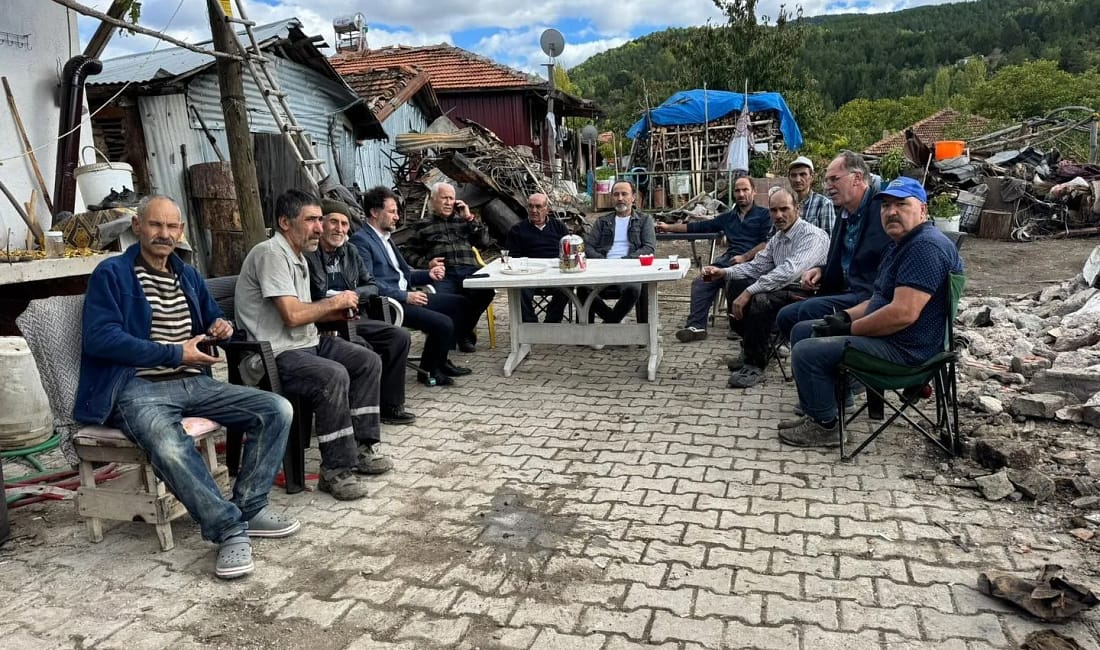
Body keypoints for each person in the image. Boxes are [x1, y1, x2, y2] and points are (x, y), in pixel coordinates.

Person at [76, 195, 298, 580]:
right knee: (168, 444)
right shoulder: (111, 274)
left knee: (276, 409)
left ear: (180, 231)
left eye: (171, 227)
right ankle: (228, 528)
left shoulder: (188, 275)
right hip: (135, 387)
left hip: (192, 381)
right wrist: (173, 352)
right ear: (137, 228)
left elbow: (215, 320)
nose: (164, 234)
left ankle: (251, 507)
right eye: (155, 225)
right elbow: (100, 338)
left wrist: (223, 329)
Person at [779, 177, 964, 447]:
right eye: (885, 206)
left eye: (901, 204)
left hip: (908, 352)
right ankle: (825, 408)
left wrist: (849, 329)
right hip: (895, 339)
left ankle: (826, 427)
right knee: (804, 329)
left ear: (923, 210)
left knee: (808, 352)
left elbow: (902, 314)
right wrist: (845, 317)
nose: (891, 212)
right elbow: (879, 300)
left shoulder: (925, 247)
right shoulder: (902, 244)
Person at [234, 189, 393, 502]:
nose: (320, 228)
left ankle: (362, 447)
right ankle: (335, 470)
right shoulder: (271, 254)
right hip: (273, 353)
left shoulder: (298, 257)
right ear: (284, 222)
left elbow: (305, 313)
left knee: (367, 361)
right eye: (311, 220)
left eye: (320, 220)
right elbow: (292, 315)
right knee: (333, 375)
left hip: (305, 342)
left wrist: (336, 310)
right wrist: (333, 301)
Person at [305, 199, 416, 425]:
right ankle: (358, 414)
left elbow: (372, 285)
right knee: (364, 349)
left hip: (352, 316)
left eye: (344, 224)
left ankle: (390, 405)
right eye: (333, 222)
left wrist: (351, 295)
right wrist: (333, 301)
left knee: (399, 336)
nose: (340, 229)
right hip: (322, 321)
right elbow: (307, 298)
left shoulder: (350, 251)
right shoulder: (308, 255)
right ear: (321, 224)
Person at [352, 185, 475, 387]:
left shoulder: (386, 239)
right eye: (392, 212)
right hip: (388, 304)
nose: (397, 217)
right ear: (374, 212)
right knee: (443, 323)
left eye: (396, 212)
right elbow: (370, 283)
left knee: (460, 304)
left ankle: (440, 360)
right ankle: (429, 371)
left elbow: (405, 274)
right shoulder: (361, 241)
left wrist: (429, 274)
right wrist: (404, 296)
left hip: (406, 296)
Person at [710, 188, 830, 388]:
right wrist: (724, 272)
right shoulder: (778, 238)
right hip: (781, 288)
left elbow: (788, 271)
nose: (779, 215)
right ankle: (753, 347)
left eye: (784, 209)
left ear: (797, 209)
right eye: (774, 210)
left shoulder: (812, 235)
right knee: (736, 283)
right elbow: (757, 266)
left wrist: (750, 291)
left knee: (759, 298)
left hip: (806, 293)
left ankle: (755, 365)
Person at [774, 151, 892, 341]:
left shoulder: (882, 211)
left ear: (857, 178)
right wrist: (820, 270)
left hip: (867, 296)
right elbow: (842, 260)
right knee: (785, 315)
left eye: (834, 179)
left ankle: (825, 359)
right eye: (827, 181)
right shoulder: (844, 214)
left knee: (802, 314)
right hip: (841, 291)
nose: (828, 187)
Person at [657, 176, 771, 342]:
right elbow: (696, 227)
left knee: (736, 280)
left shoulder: (764, 215)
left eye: (745, 189)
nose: (741, 194)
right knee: (702, 280)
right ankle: (696, 327)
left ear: (753, 192)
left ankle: (738, 326)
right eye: (737, 190)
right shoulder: (728, 217)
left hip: (753, 263)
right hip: (728, 261)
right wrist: (668, 227)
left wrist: (745, 257)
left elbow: (767, 242)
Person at [403, 182, 495, 352]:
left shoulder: (464, 221)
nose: (448, 202)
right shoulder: (422, 225)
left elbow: (484, 242)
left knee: (487, 292)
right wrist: (427, 265)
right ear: (433, 200)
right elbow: (407, 253)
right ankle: (456, 335)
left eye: (451, 198)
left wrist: (469, 218)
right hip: (444, 273)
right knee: (445, 301)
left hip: (469, 271)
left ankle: (461, 332)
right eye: (444, 198)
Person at [581, 180, 657, 323]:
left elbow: (648, 248)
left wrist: (624, 262)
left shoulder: (644, 220)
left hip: (629, 269)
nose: (620, 198)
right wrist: (603, 262)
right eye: (616, 194)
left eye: (624, 194)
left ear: (633, 197)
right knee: (583, 289)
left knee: (633, 289)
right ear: (612, 198)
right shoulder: (602, 221)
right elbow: (589, 247)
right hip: (602, 268)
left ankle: (607, 325)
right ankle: (612, 321)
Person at [504, 192, 569, 323]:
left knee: (567, 288)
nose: (534, 210)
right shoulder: (517, 230)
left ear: (547, 209)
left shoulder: (559, 227)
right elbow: (513, 257)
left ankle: (552, 322)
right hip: (529, 273)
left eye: (538, 206)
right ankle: (530, 324)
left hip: (555, 272)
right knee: (519, 290)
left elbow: (567, 252)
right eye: (531, 206)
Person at [787, 156, 837, 236]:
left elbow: (828, 240)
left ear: (812, 177)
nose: (797, 179)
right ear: (789, 178)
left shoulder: (823, 204)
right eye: (793, 175)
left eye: (803, 174)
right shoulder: (787, 205)